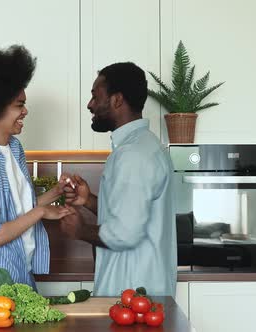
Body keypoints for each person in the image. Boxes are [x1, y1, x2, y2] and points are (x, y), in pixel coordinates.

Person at [0, 45, 72, 288]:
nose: (25, 111)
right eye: (19, 105)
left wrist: (54, 194)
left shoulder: (15, 148)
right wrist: (41, 212)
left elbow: (18, 209)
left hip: (21, 271)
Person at [60, 62, 177, 297]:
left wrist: (81, 231)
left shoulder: (134, 154)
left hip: (132, 295)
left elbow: (125, 233)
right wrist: (90, 201)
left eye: (95, 96)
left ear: (117, 100)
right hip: (139, 291)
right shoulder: (144, 146)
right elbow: (132, 212)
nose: (90, 104)